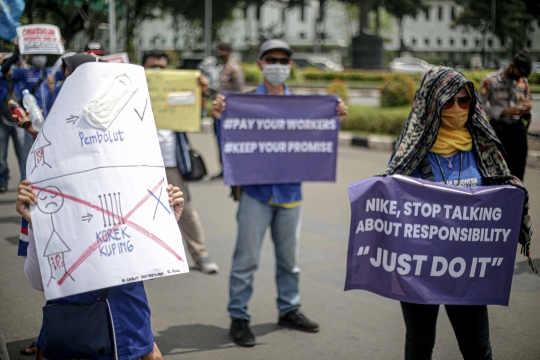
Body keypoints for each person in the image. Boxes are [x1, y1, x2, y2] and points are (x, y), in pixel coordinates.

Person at [384, 66, 533, 360]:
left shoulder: (482, 146)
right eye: (448, 101)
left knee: (478, 348)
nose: (456, 109)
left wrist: (514, 193)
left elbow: (500, 186)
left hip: (468, 269)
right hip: (420, 268)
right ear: (432, 103)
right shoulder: (411, 150)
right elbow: (390, 200)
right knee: (420, 346)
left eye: (464, 101)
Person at [212, 39, 348, 347]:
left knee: (290, 261)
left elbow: (315, 143)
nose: (278, 65)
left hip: (290, 194)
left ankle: (289, 308)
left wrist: (335, 121)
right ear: (260, 64)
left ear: (290, 65)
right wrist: (221, 118)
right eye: (271, 59)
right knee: (245, 260)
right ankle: (239, 317)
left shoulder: (302, 109)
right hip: (255, 195)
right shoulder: (242, 103)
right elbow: (230, 143)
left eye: (284, 61)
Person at [142, 50, 219, 274]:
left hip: (172, 163)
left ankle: (201, 256)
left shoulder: (175, 92)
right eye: (152, 67)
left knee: (185, 211)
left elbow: (197, 113)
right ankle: (144, 261)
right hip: (141, 165)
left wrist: (202, 92)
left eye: (162, 67)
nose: (157, 71)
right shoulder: (132, 93)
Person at [478, 49, 533, 181]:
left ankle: (517, 199)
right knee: (499, 171)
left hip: (518, 130)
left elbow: (526, 101)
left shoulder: (523, 81)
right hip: (499, 130)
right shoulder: (490, 80)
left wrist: (527, 109)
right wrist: (503, 111)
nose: (520, 77)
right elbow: (480, 106)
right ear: (512, 64)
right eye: (518, 73)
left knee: (519, 171)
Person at [0, 54, 25, 193]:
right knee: (1, 156)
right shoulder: (1, 79)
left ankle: (25, 182)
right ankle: (2, 182)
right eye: (7, 63)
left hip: (19, 123)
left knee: (22, 155)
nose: (10, 66)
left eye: (13, 63)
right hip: (2, 123)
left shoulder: (21, 79)